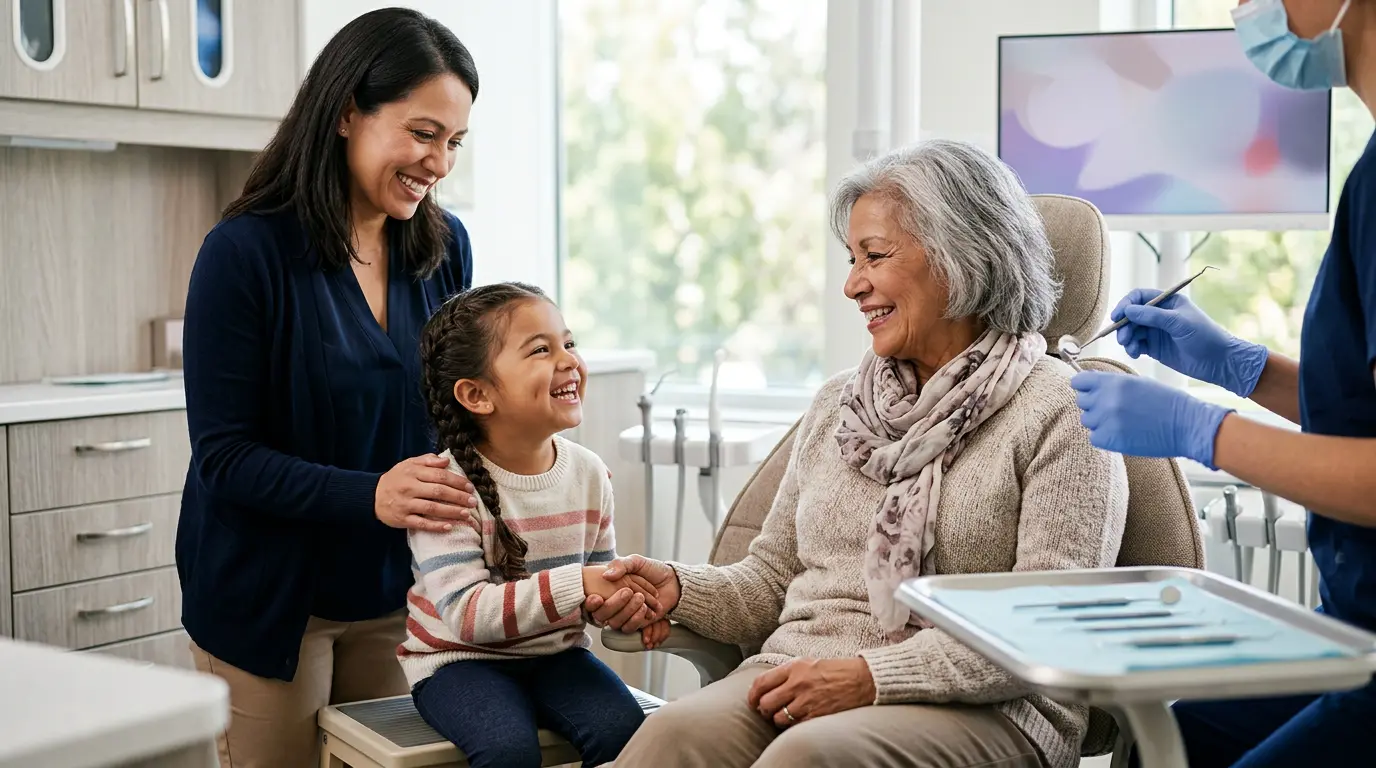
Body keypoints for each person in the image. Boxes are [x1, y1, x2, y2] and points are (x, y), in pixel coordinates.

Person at [587, 139, 1130, 768]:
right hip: (799, 676)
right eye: (851, 258)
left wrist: (869, 676)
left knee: (810, 757)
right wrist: (678, 587)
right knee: (669, 736)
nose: (851, 285)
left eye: (873, 256)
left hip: (992, 709)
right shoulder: (839, 405)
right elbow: (769, 584)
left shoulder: (1064, 410)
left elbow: (1047, 626)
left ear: (962, 256)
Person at [1070, 1, 1376, 765]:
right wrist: (1239, 367)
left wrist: (1200, 429)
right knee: (1169, 741)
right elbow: (1359, 410)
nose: (1244, 11)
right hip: (1353, 625)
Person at [177, 9, 484, 766]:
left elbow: (449, 417)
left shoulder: (445, 252)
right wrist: (370, 496)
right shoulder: (244, 253)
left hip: (393, 591)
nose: (439, 162)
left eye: (453, 141)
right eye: (421, 133)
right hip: (271, 602)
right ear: (348, 112)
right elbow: (225, 457)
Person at [400, 282, 663, 768]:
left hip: (555, 656)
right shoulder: (445, 487)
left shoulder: (589, 474)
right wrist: (577, 585)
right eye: (541, 350)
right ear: (476, 394)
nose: (567, 359)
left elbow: (595, 587)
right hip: (458, 662)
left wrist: (620, 605)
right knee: (507, 750)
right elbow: (467, 616)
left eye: (569, 343)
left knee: (627, 734)